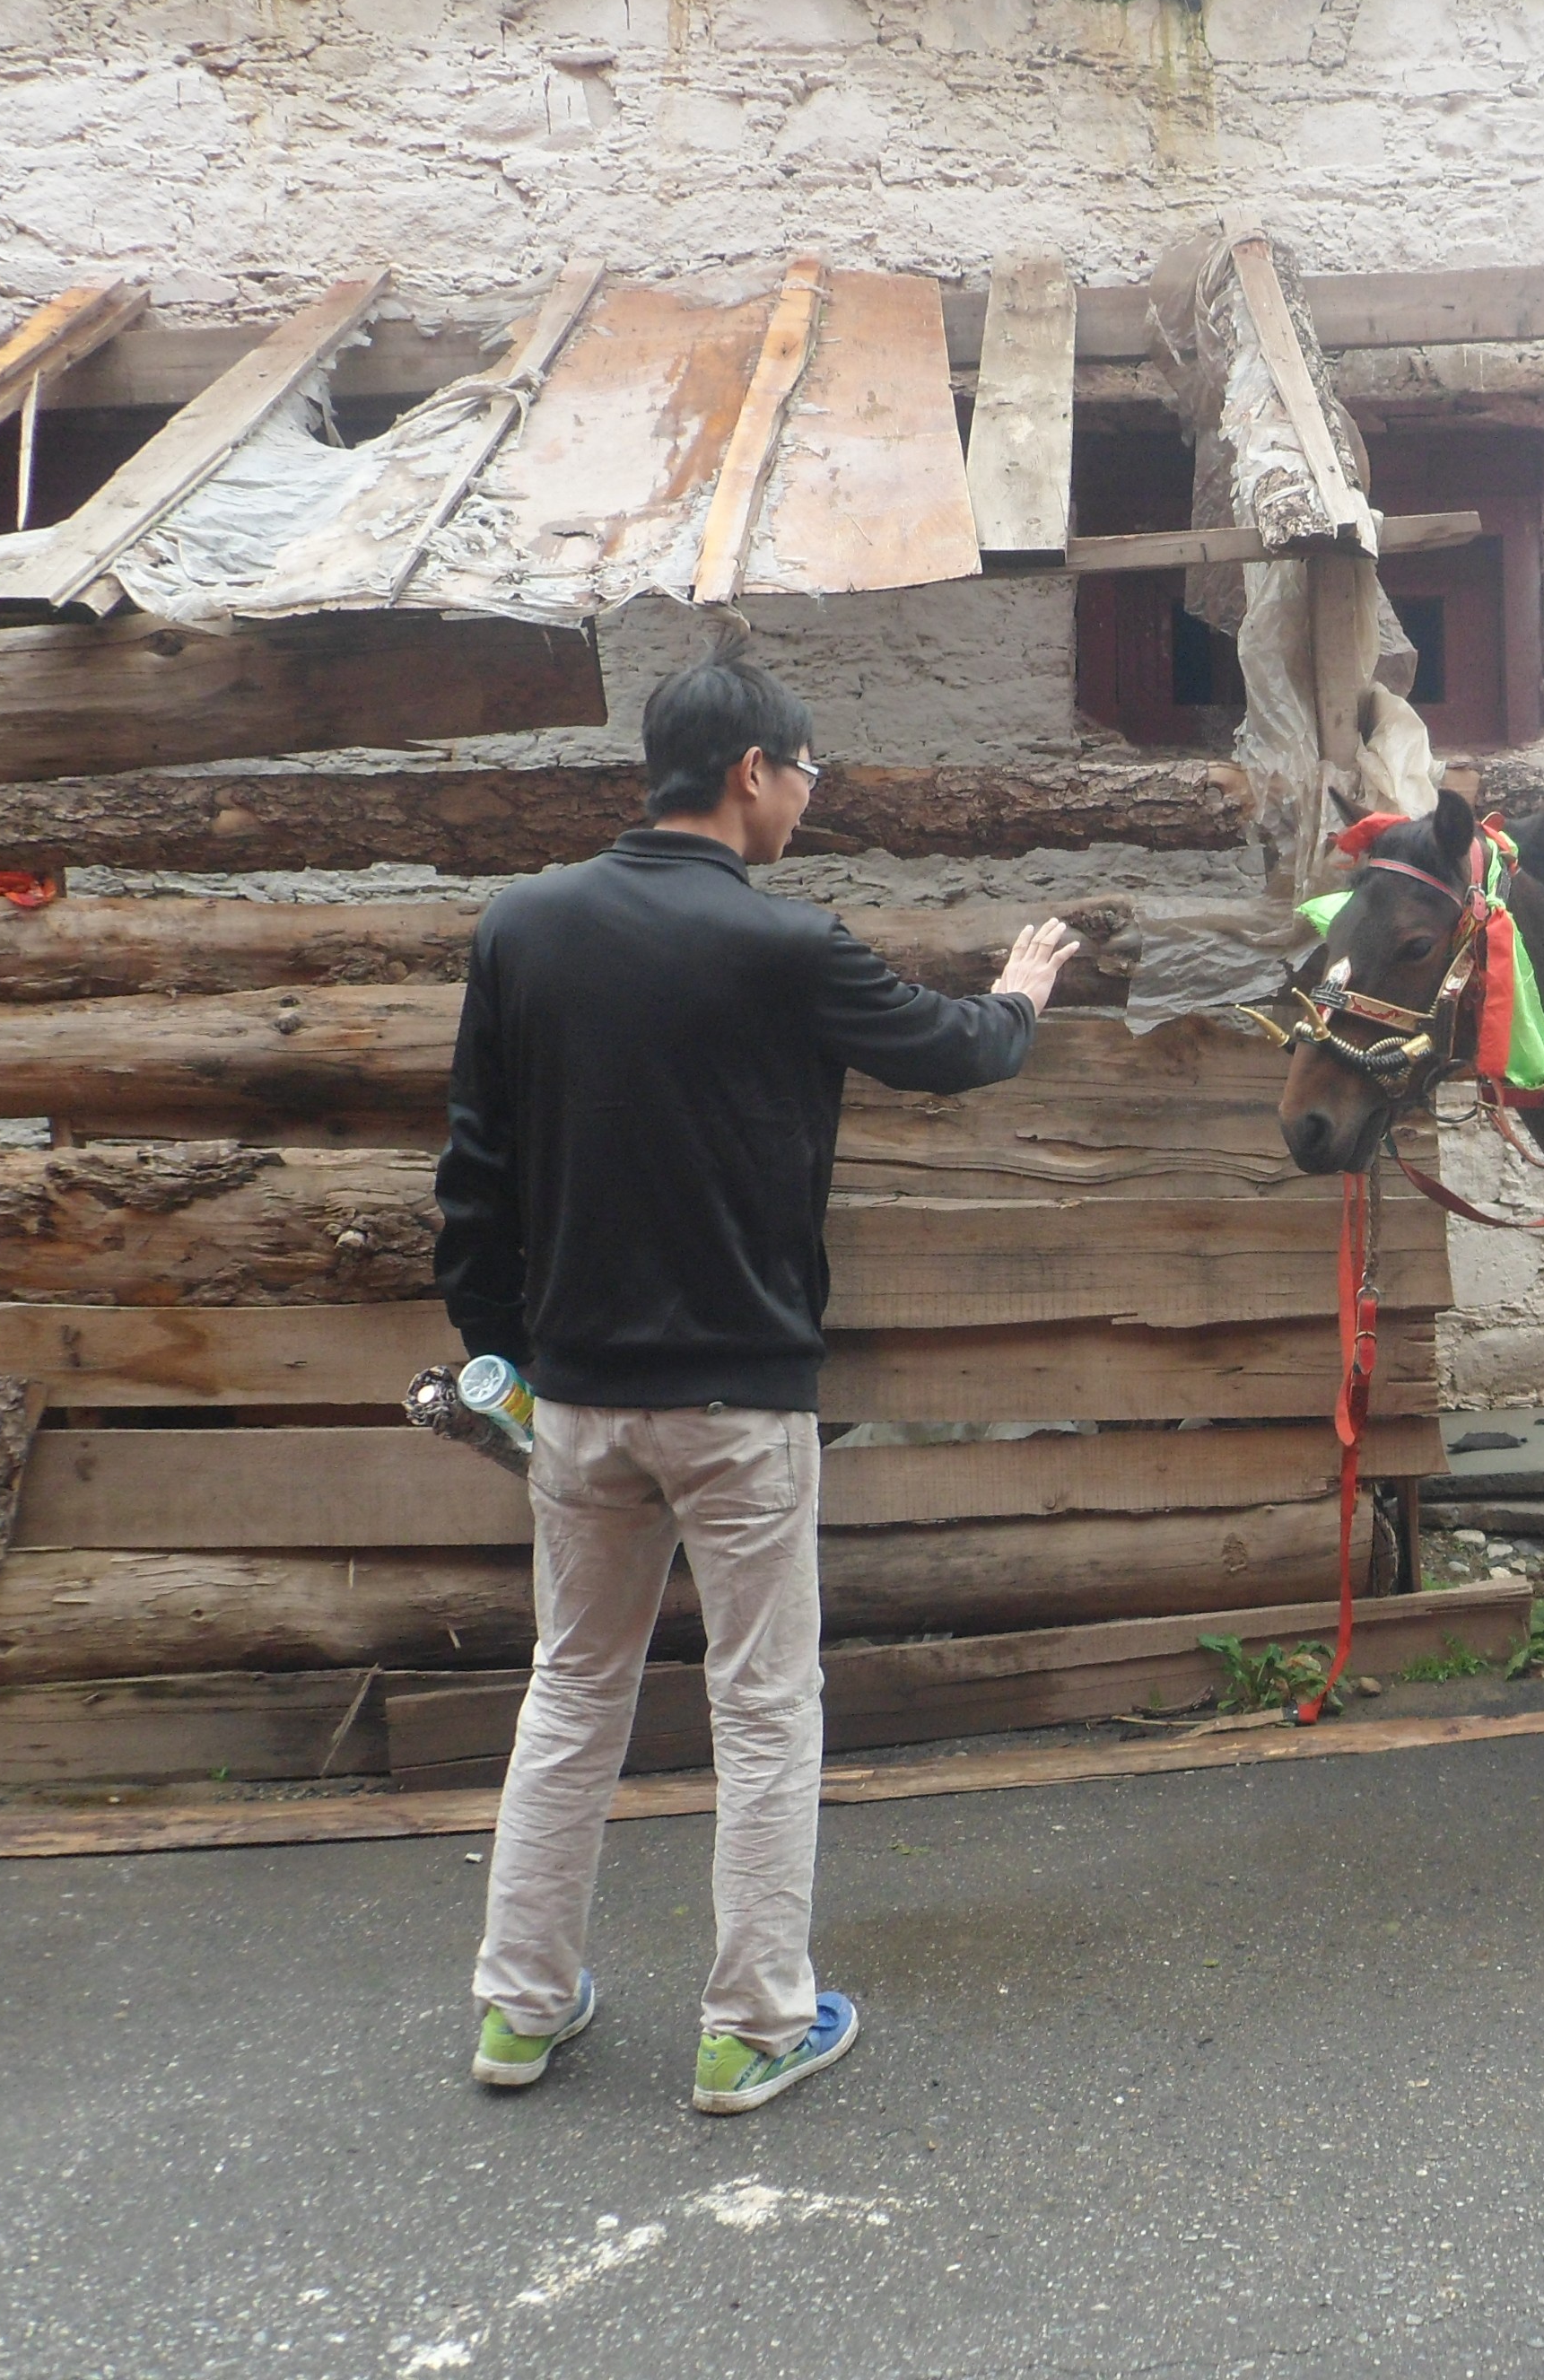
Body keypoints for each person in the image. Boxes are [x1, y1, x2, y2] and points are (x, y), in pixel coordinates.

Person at [433, 627, 1077, 2114]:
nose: (807, 800)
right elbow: (955, 1051)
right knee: (766, 1706)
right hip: (740, 1406)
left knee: (570, 1694)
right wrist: (1023, 989)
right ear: (748, 773)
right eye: (804, 776)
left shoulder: (522, 928)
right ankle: (753, 2027)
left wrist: (500, 1355)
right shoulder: (786, 945)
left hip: (576, 1401)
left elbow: (475, 1169)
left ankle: (518, 2013)